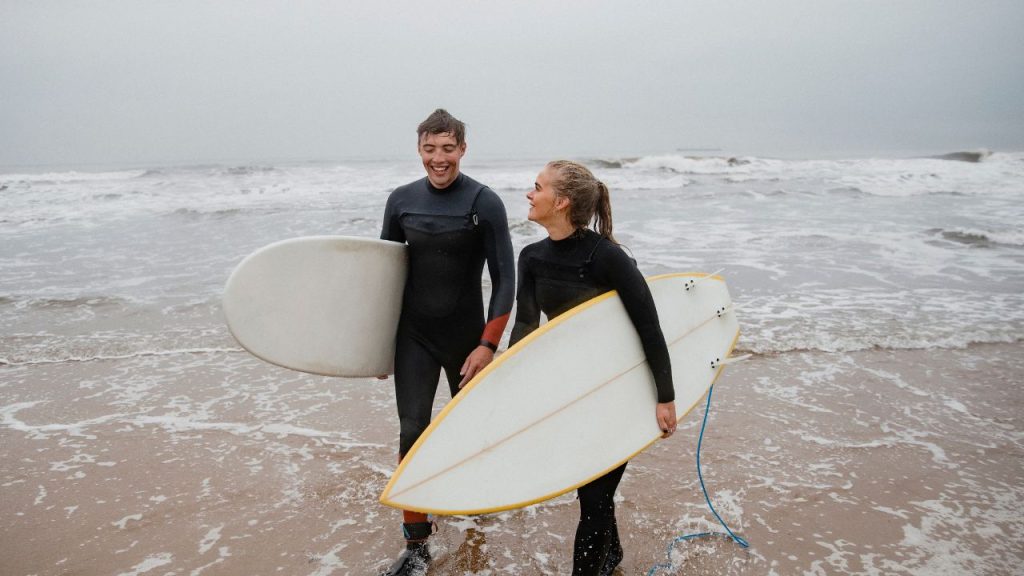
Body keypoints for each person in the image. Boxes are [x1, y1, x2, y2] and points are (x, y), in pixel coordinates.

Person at [509, 160, 677, 576]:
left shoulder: (608, 258)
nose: (529, 194)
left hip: (619, 389)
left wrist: (665, 397)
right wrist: (506, 387)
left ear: (561, 201)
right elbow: (527, 328)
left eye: (537, 187)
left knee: (595, 497)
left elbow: (649, 326)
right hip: (573, 390)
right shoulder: (531, 257)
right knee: (591, 489)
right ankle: (613, 557)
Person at [378, 109, 515, 575]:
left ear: (462, 149)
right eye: (430, 149)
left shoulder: (484, 201)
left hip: (466, 339)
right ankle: (417, 546)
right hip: (412, 336)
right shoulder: (400, 201)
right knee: (412, 430)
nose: (439, 159)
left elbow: (505, 279)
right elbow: (385, 275)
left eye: (448, 149)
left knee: (470, 434)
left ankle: (475, 512)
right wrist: (377, 345)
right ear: (419, 150)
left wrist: (487, 344)